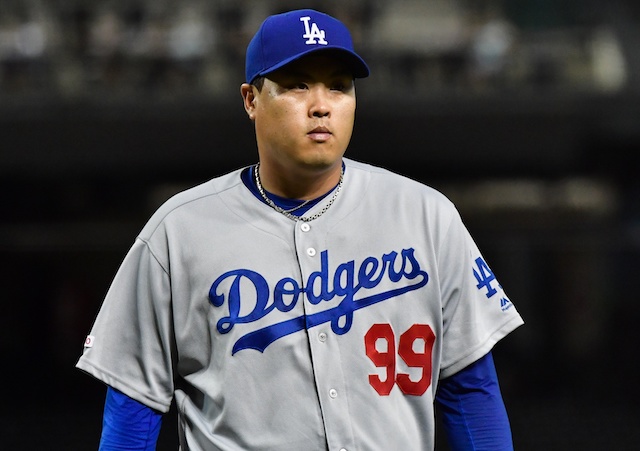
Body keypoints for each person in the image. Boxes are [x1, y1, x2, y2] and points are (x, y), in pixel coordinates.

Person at [76, 8, 524, 450]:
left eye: (338, 86)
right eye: (297, 85)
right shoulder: (178, 232)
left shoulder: (427, 217)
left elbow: (470, 392)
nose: (321, 105)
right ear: (251, 100)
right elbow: (133, 408)